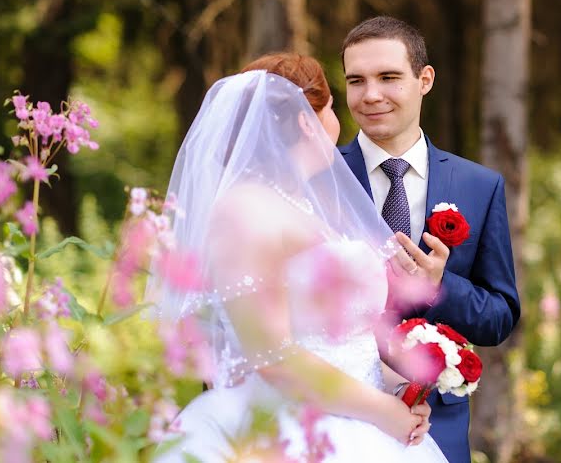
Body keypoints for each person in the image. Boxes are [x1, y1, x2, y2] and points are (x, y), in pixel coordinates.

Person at [151, 53, 448, 462]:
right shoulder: (245, 212)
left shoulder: (306, 204)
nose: (336, 118)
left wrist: (396, 386)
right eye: (329, 107)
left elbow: (339, 340)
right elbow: (273, 355)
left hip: (355, 415)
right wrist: (382, 412)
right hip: (284, 426)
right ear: (308, 121)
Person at [338, 16, 521, 463]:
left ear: (425, 80)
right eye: (356, 81)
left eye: (388, 77)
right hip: (338, 414)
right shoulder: (321, 176)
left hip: (436, 424)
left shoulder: (480, 186)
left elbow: (500, 317)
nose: (371, 95)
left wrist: (441, 287)